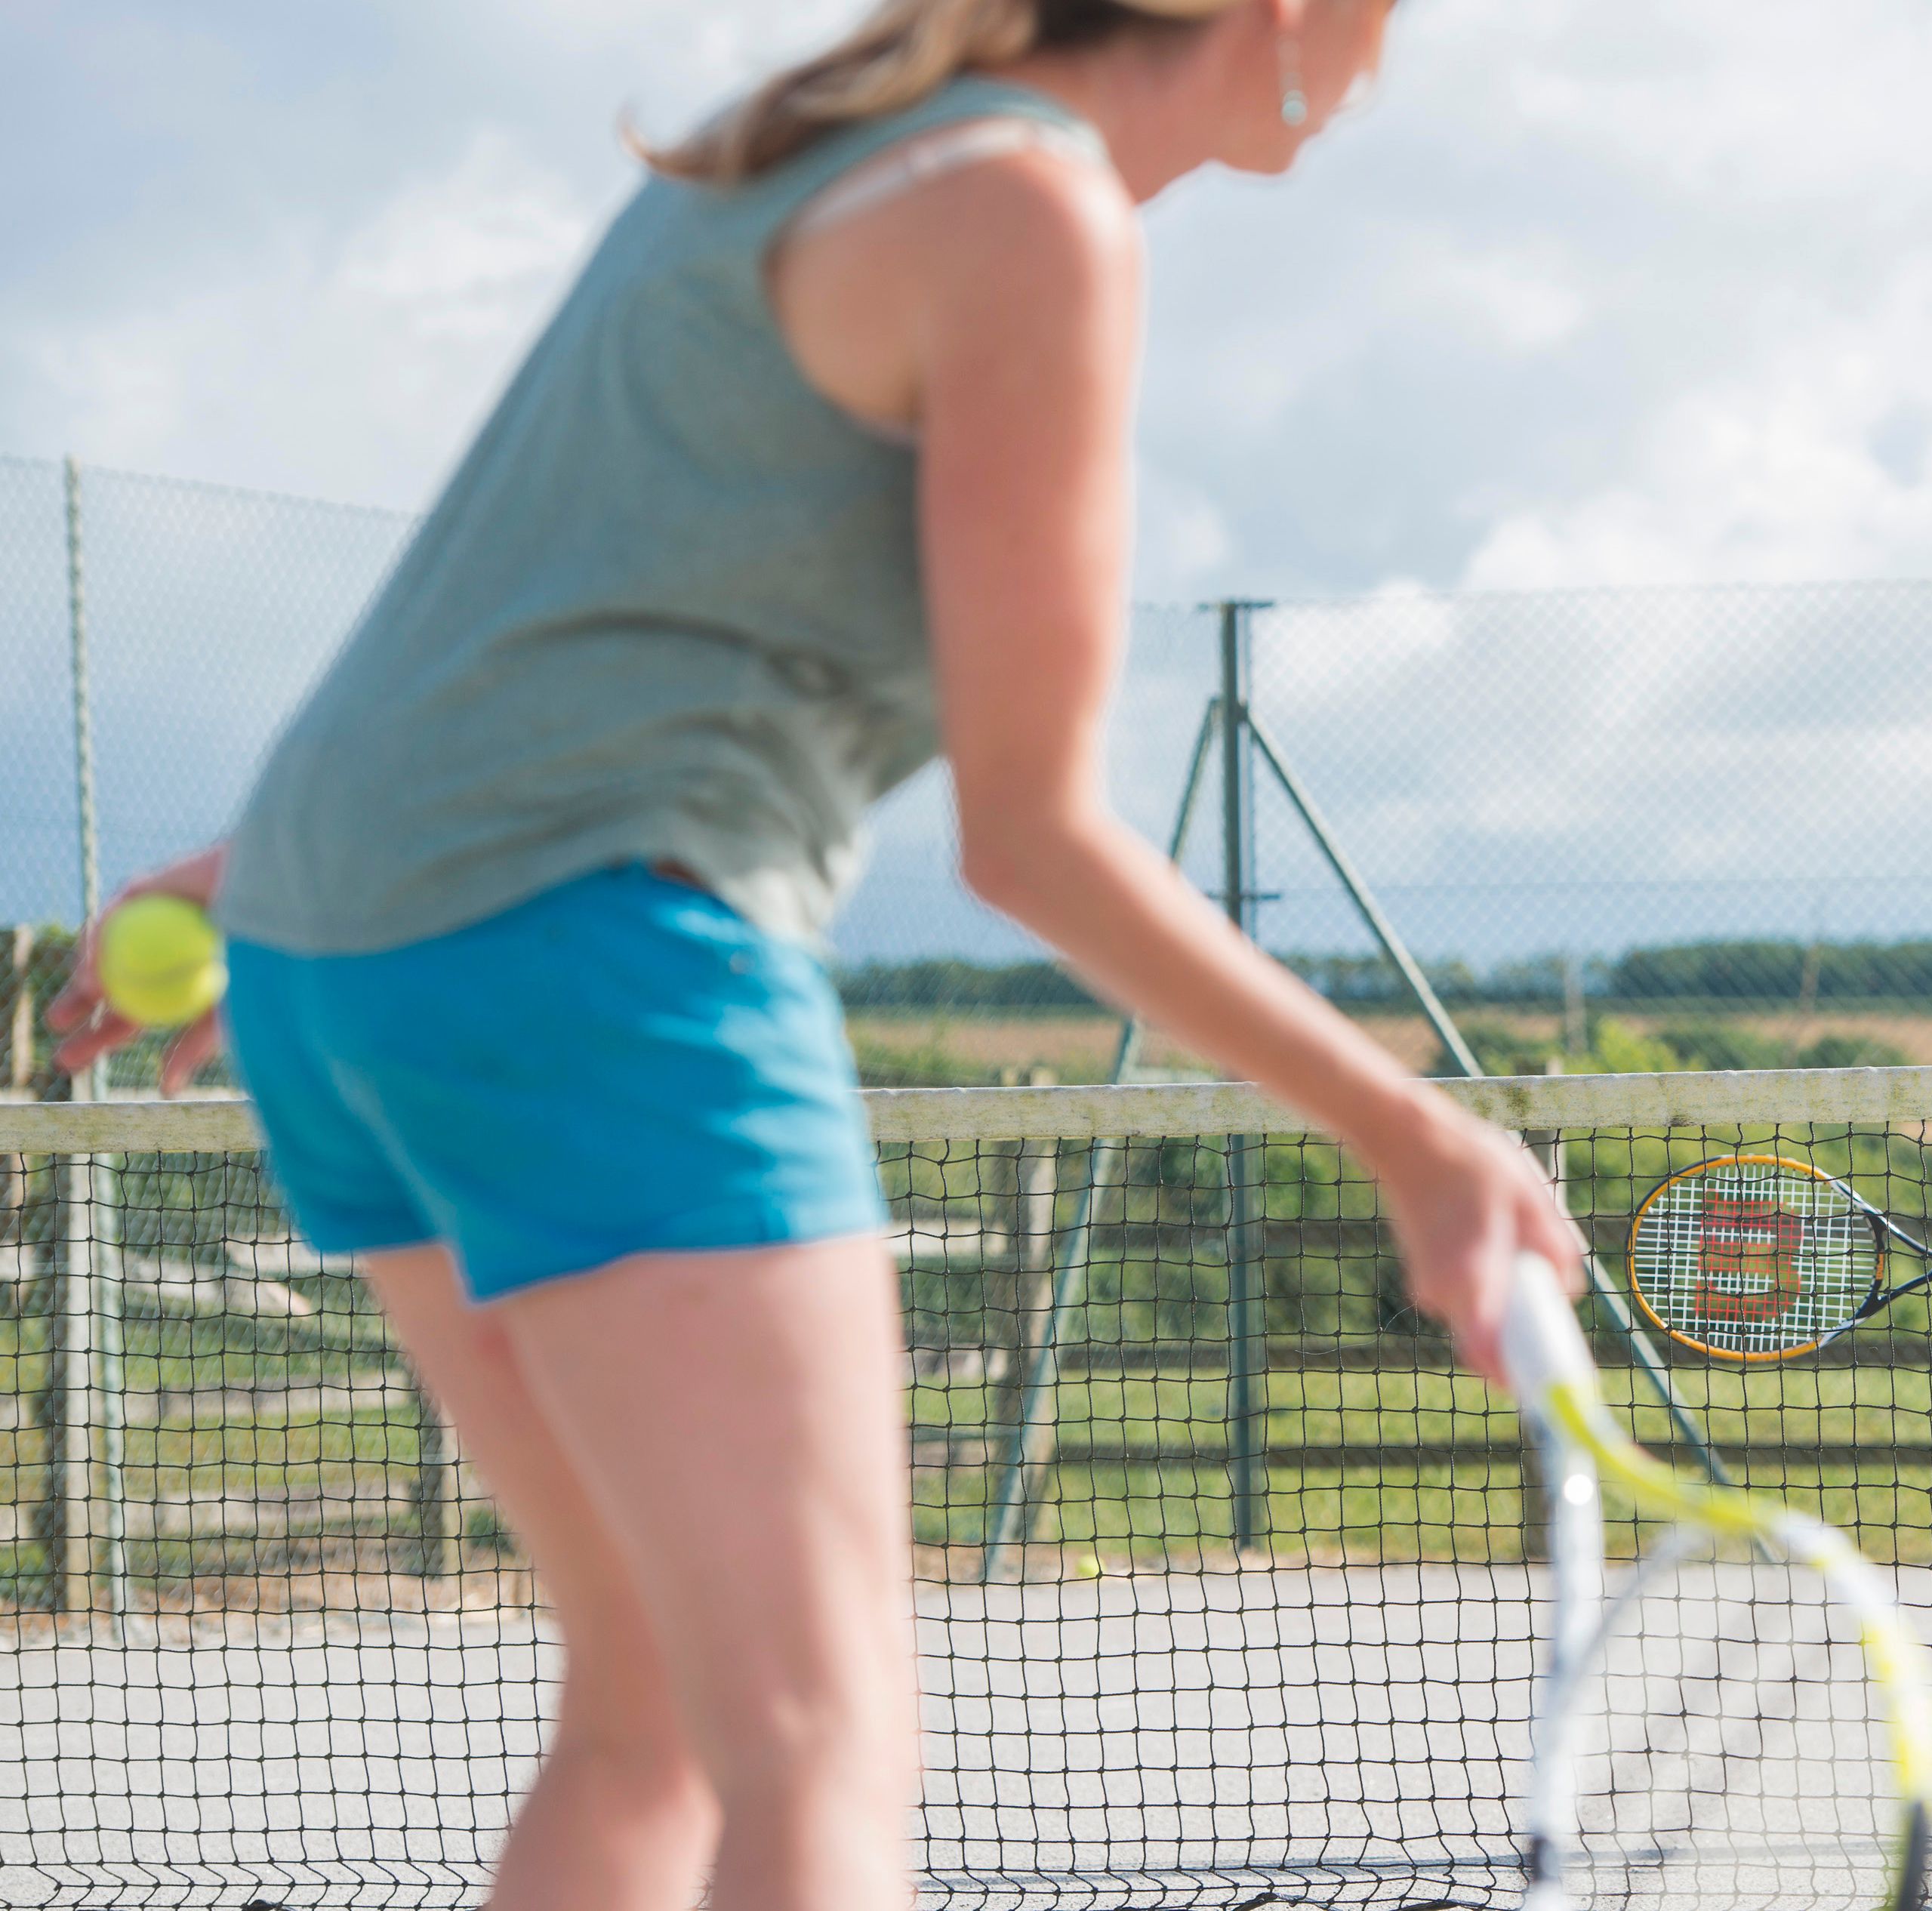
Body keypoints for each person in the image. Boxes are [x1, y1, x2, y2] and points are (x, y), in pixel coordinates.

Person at [49, 5, 1582, 1909]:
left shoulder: (792, 150)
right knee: (816, 1737)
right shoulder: (1029, 209)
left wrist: (243, 875)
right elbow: (1031, 839)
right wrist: (1421, 1140)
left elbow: (554, 594)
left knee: (657, 1717)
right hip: (589, 959)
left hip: (324, 953)